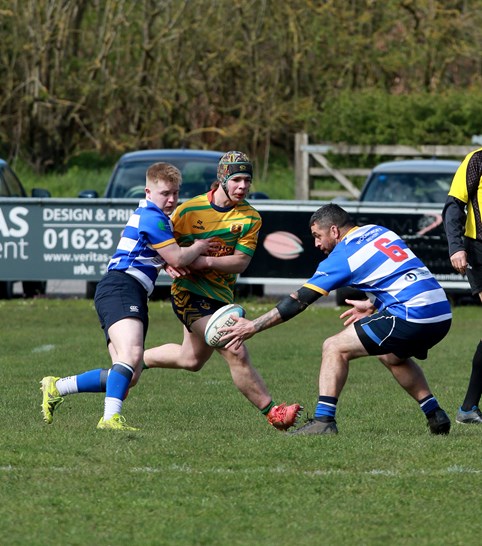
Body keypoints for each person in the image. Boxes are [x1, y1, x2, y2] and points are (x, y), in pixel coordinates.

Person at [221, 203, 453, 435]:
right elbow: (399, 272)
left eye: (317, 236)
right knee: (391, 355)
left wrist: (253, 326)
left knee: (334, 347)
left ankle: (324, 421)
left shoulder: (343, 256)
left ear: (334, 230)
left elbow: (298, 301)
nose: (316, 244)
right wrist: (373, 304)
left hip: (412, 314)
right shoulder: (379, 231)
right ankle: (435, 414)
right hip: (441, 312)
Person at [40, 162, 216, 430]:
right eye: (165, 193)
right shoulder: (152, 217)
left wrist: (165, 260)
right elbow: (178, 257)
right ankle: (110, 419)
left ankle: (57, 387)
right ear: (148, 192)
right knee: (132, 355)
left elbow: (160, 253)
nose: (171, 200)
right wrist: (198, 246)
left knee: (128, 375)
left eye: (175, 193)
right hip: (122, 286)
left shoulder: (154, 216)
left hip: (127, 290)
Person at [140, 151, 302, 431]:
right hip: (189, 293)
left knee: (190, 360)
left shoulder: (250, 217)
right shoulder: (189, 211)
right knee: (234, 347)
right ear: (222, 179)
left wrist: (203, 261)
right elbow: (163, 245)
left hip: (221, 298)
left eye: (247, 180)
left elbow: (240, 262)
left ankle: (132, 361)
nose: (243, 186)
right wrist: (169, 263)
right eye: (236, 180)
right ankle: (274, 413)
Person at [443, 147, 482, 424]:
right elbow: (454, 205)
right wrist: (456, 247)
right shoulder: (477, 159)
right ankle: (467, 409)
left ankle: (468, 408)